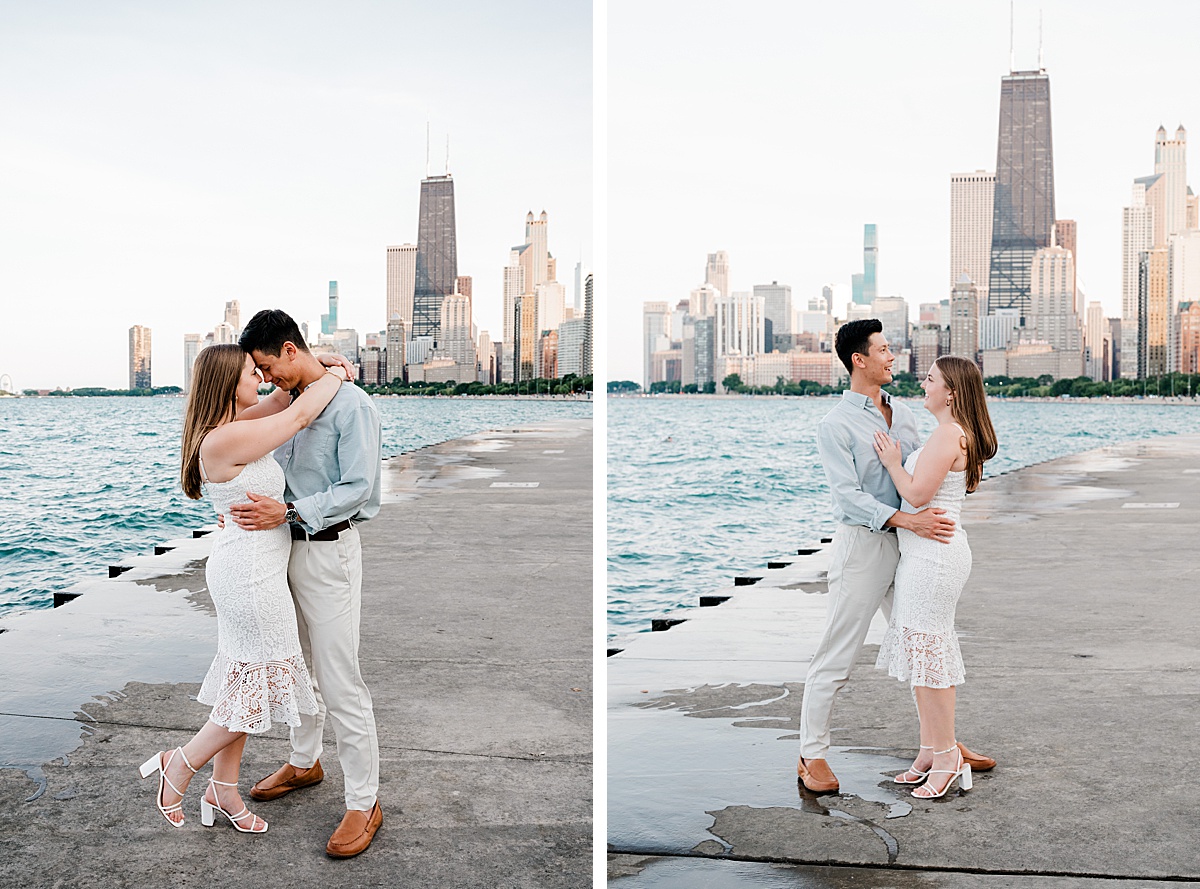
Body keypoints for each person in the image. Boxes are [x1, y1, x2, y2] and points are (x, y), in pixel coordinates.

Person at [140, 343, 348, 833]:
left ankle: (224, 789)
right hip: (249, 576)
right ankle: (181, 763)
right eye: (253, 373)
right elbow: (296, 417)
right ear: (228, 383)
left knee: (243, 681)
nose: (262, 377)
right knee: (257, 688)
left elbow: (284, 401)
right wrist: (338, 377)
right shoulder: (221, 441)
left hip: (253, 567)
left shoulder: (241, 423)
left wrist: (321, 361)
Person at [796, 319, 996, 794]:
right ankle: (812, 754)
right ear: (858, 360)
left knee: (919, 644)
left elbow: (935, 466)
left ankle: (941, 742)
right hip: (866, 548)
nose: (893, 357)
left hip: (914, 551)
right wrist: (907, 521)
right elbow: (847, 499)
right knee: (837, 654)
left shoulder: (905, 415)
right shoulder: (835, 424)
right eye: (884, 350)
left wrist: (916, 522)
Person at [228, 309, 384, 859]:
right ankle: (304, 760)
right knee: (295, 665)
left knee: (340, 678)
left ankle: (365, 801)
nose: (267, 379)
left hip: (326, 552)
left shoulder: (353, 405)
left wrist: (290, 511)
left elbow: (361, 489)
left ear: (291, 350)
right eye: (260, 372)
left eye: (270, 366)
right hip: (279, 551)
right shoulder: (289, 401)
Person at [872, 355, 998, 798]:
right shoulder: (949, 432)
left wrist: (891, 461)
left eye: (930, 379)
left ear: (951, 392)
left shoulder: (948, 434)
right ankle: (931, 749)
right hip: (927, 554)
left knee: (931, 656)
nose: (921, 384)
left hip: (936, 557)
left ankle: (947, 755)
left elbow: (917, 493)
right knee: (923, 654)